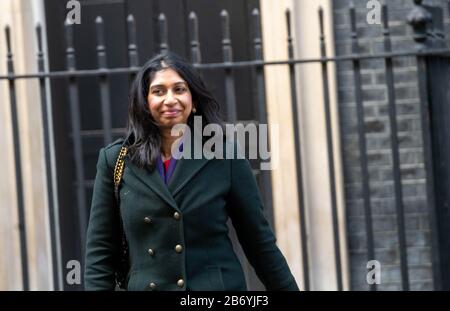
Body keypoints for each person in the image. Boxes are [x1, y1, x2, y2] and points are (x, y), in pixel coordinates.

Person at [84, 51, 299, 291]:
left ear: (193, 100)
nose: (170, 99)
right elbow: (100, 253)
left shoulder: (224, 154)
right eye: (158, 91)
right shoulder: (116, 160)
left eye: (179, 89)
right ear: (145, 102)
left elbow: (259, 242)